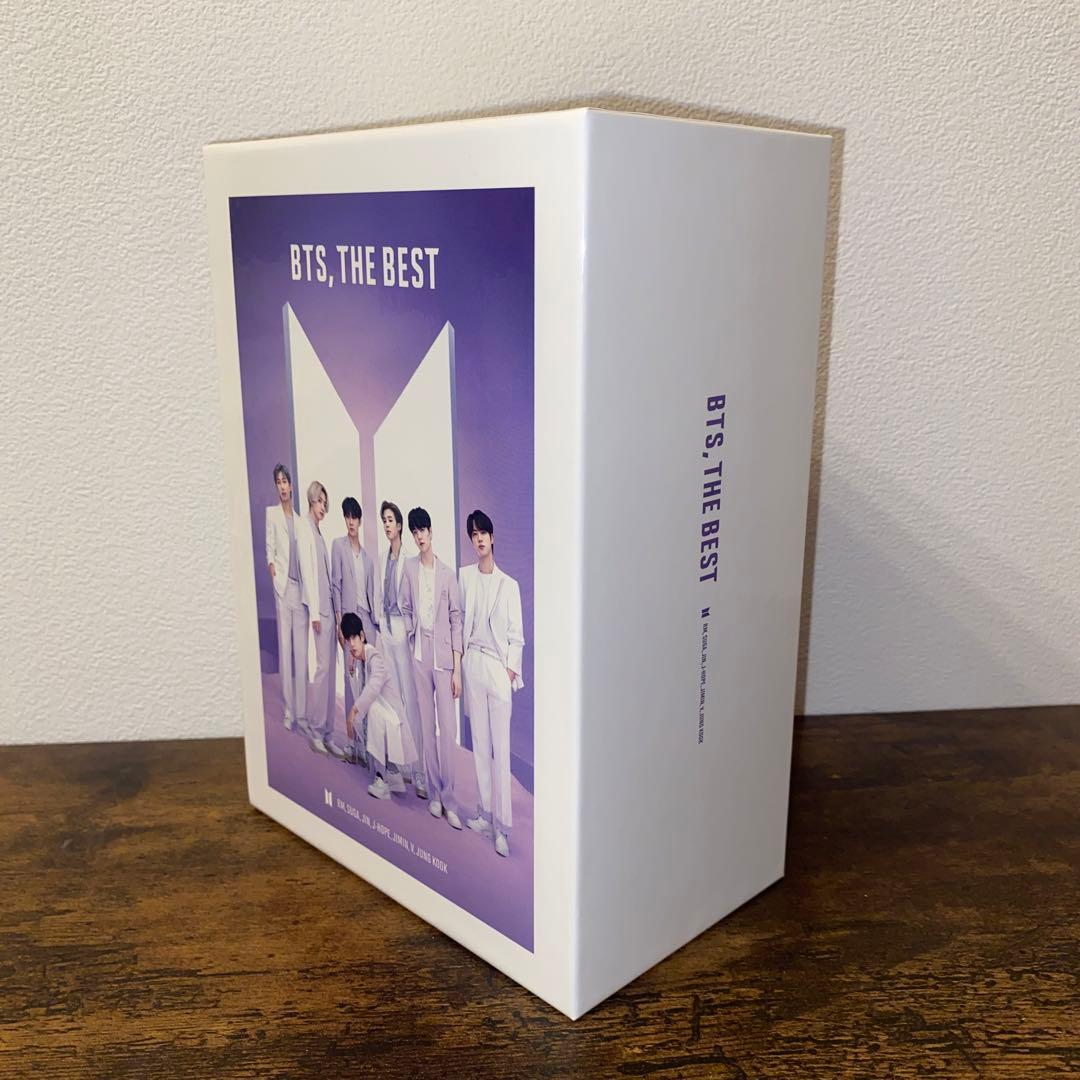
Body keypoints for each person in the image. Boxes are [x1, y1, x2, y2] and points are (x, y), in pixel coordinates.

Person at [459, 510, 525, 858]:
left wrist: (508, 673)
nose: (479, 538)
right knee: (480, 746)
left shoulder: (509, 585)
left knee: (501, 751)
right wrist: (462, 664)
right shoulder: (465, 577)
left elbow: (517, 637)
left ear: (492, 537)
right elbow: (458, 621)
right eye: (474, 534)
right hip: (473, 663)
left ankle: (502, 827)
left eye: (483, 532)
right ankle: (484, 814)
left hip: (497, 671)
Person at [399, 507, 464, 830]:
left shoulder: (448, 574)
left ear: (431, 532)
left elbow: (456, 620)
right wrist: (412, 632)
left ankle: (450, 799)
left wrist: (457, 669)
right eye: (414, 532)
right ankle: (435, 794)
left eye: (422, 530)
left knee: (448, 730)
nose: (419, 536)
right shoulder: (410, 569)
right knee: (427, 726)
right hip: (419, 655)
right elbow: (404, 605)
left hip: (444, 659)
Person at [377, 500, 427, 798]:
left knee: (411, 701)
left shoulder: (409, 560)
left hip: (403, 632)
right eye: (383, 520)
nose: (386, 524)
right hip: (387, 631)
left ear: (399, 526)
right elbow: (379, 595)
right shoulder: (383, 558)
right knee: (395, 700)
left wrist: (408, 631)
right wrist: (382, 627)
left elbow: (414, 601)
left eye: (390, 520)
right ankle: (404, 766)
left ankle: (419, 771)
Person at [341, 612, 418, 800]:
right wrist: (351, 669)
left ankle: (382, 779)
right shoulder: (361, 660)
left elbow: (374, 686)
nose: (351, 644)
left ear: (362, 636)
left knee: (371, 710)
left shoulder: (374, 656)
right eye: (348, 640)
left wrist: (354, 711)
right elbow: (361, 691)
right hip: (387, 720)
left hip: (393, 721)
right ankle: (392, 772)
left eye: (354, 638)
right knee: (368, 711)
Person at [328, 496, 378, 764]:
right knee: (350, 680)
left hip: (366, 623)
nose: (350, 522)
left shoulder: (368, 560)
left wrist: (374, 628)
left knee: (367, 683)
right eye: (347, 517)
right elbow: (335, 585)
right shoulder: (338, 547)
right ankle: (352, 743)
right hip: (348, 621)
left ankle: (368, 743)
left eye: (354, 517)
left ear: (360, 521)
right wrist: (339, 623)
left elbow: (370, 595)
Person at [264, 463, 307, 730]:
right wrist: (274, 574)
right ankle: (290, 712)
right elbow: (269, 549)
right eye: (278, 482)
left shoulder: (301, 522)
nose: (281, 486)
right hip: (283, 589)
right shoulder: (272, 515)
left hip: (300, 593)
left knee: (301, 654)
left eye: (284, 481)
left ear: (291, 485)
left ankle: (301, 714)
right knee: (286, 651)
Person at [295, 481, 335, 753]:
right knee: (322, 670)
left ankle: (328, 732)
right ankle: (316, 729)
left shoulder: (319, 532)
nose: (323, 507)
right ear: (311, 499)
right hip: (319, 611)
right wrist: (314, 614)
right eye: (320, 501)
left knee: (330, 670)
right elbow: (308, 573)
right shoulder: (305, 528)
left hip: (329, 610)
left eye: (325, 503)